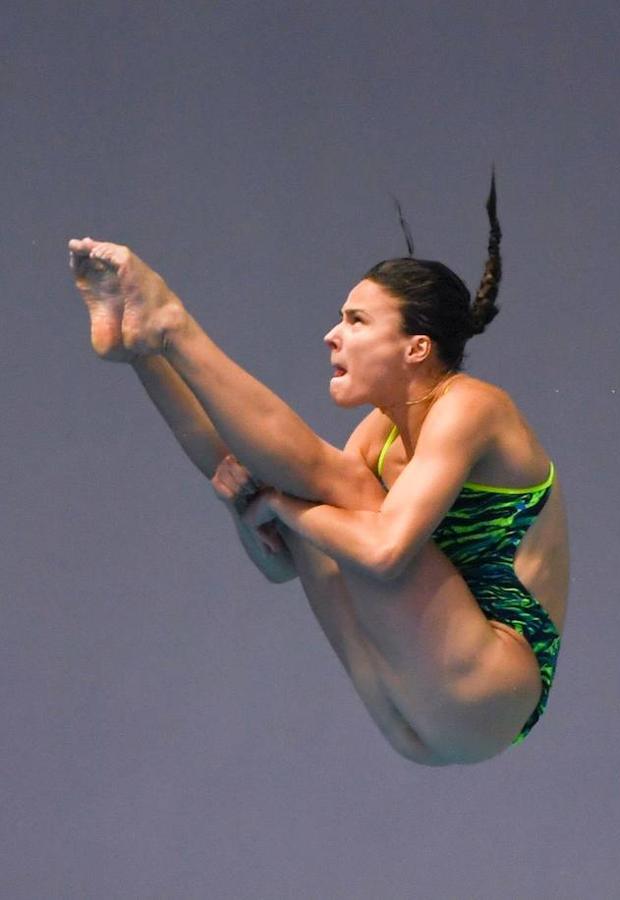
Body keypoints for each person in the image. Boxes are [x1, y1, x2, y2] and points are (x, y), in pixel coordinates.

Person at [68, 181, 569, 764]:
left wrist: (284, 507)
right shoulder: (380, 433)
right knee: (310, 497)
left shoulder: (472, 407)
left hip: (489, 686)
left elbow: (384, 552)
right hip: (414, 713)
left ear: (416, 348)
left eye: (357, 321)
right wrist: (250, 508)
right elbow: (281, 563)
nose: (333, 335)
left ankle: (174, 327)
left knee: (336, 494)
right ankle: (145, 352)